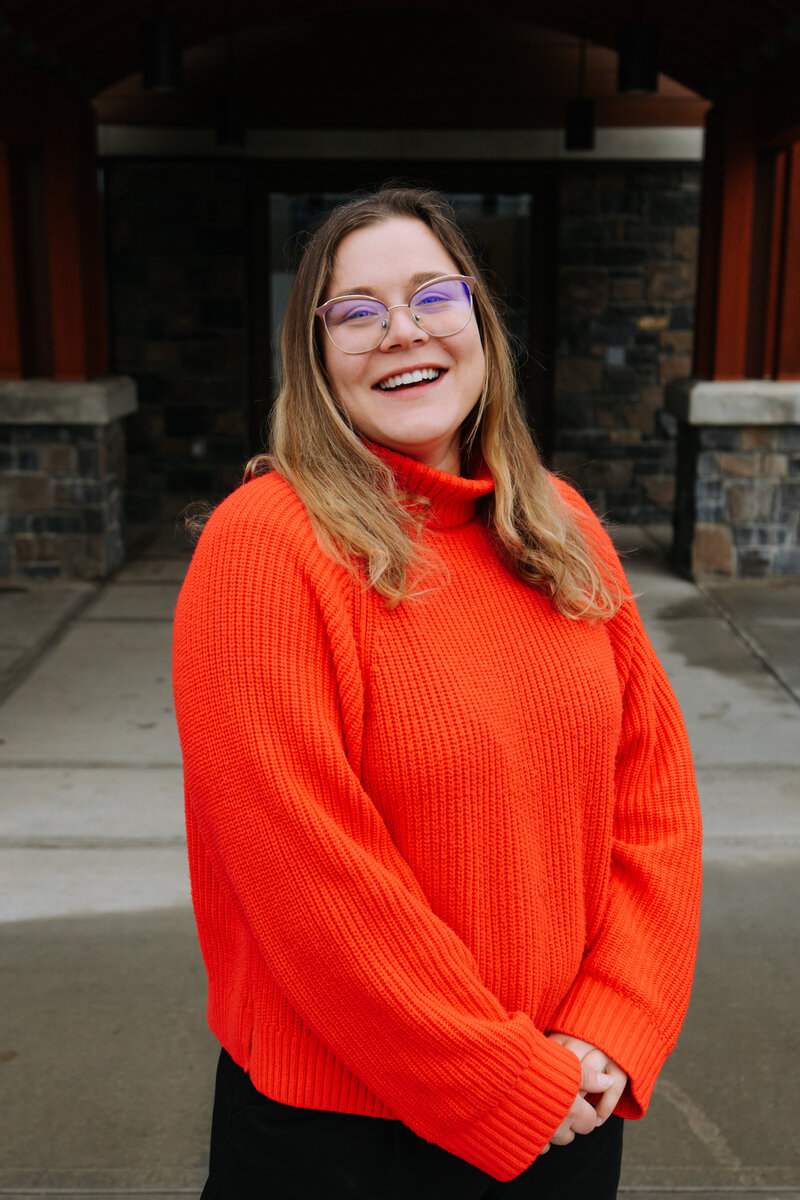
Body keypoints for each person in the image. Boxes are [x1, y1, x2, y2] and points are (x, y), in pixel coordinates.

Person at [172, 186, 703, 1200]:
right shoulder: (264, 547)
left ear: (479, 323)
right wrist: (500, 1079)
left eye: (430, 295)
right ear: (315, 356)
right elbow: (307, 875)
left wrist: (612, 1025)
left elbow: (651, 805)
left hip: (569, 1102)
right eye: (356, 310)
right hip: (345, 1141)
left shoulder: (559, 524)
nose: (400, 331)